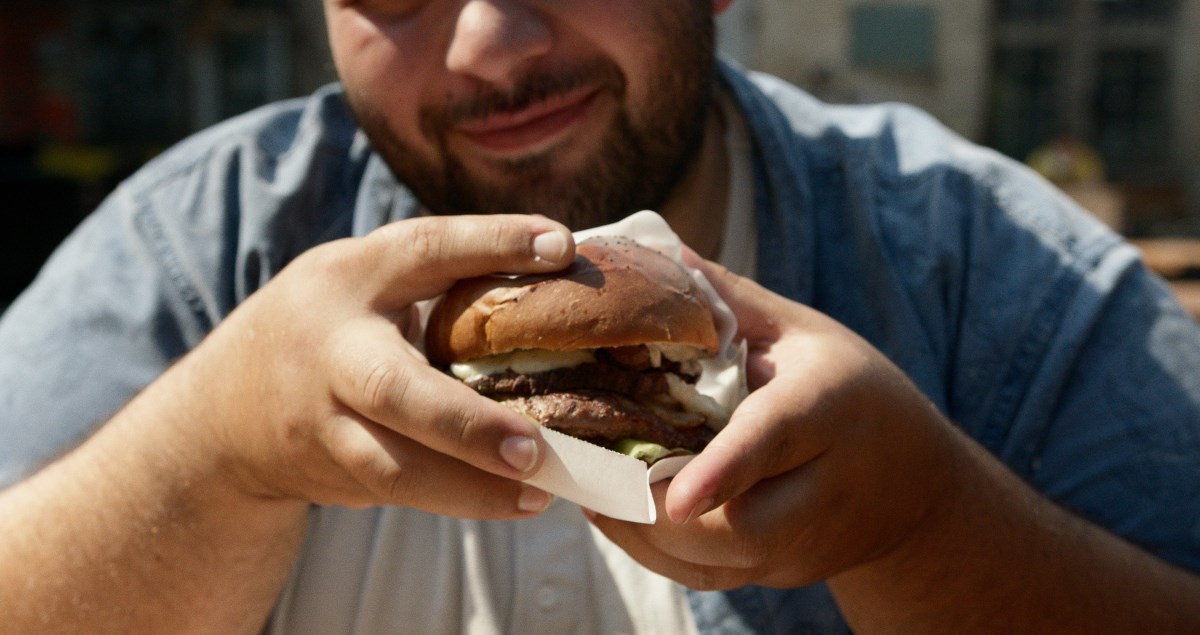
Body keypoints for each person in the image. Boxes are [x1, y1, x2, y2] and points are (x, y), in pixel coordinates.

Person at [1, 0, 1198, 631]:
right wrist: (208, 454)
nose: (485, 43)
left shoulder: (975, 264)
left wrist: (929, 527)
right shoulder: (200, 251)